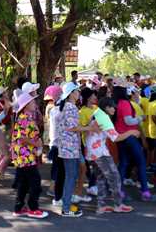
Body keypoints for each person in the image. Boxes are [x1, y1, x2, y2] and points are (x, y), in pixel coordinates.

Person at [54, 81, 101, 217]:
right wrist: (89, 128)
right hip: (69, 147)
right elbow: (72, 127)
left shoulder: (70, 106)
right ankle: (67, 208)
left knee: (72, 175)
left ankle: (67, 204)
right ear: (71, 94)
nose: (79, 92)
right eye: (77, 91)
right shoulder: (70, 107)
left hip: (70, 147)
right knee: (70, 176)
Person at [86, 97, 136, 214]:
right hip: (99, 151)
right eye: (113, 107)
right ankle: (118, 204)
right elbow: (116, 138)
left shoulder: (97, 112)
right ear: (107, 108)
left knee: (102, 178)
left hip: (91, 152)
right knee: (114, 177)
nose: (114, 109)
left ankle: (101, 206)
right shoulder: (104, 118)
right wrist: (131, 132)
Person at [111, 78, 155, 202]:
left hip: (120, 136)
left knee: (123, 163)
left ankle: (120, 192)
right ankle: (145, 192)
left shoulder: (116, 102)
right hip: (129, 136)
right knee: (141, 161)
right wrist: (141, 118)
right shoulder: (124, 103)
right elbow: (129, 121)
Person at [11, 91, 47, 218]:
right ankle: (33, 208)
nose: (34, 103)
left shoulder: (24, 116)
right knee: (35, 179)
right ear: (26, 104)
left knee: (23, 180)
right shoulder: (24, 118)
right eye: (32, 101)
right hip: (25, 155)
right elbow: (23, 138)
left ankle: (19, 207)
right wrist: (36, 144)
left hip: (23, 155)